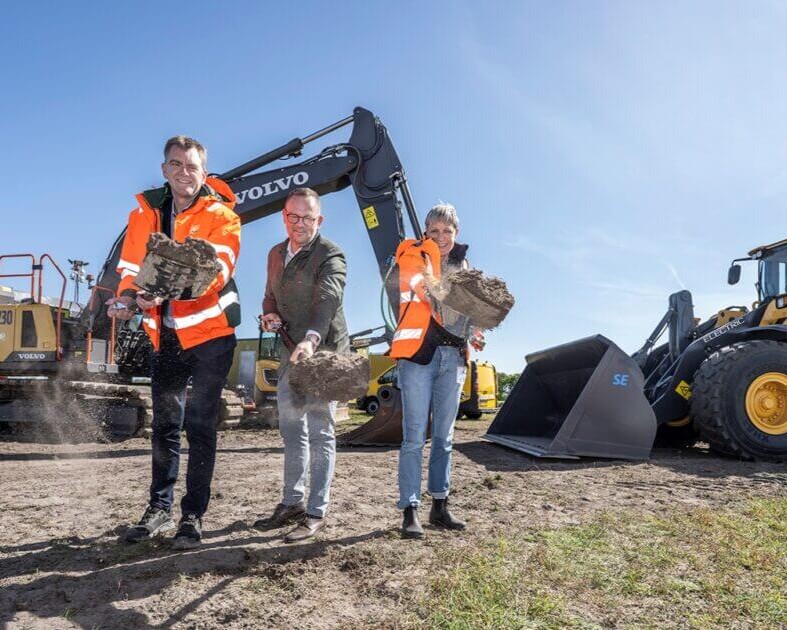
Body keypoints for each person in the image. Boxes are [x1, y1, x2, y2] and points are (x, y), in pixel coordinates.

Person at [107, 136, 241, 550]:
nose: (185, 172)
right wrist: (127, 301)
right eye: (177, 164)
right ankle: (158, 507)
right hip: (165, 336)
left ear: (205, 173)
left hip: (211, 337)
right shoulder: (144, 214)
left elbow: (215, 271)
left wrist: (167, 292)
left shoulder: (223, 216)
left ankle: (192, 516)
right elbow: (130, 269)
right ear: (165, 169)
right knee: (164, 425)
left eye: (193, 167)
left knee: (200, 426)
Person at [254, 187, 348, 543]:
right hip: (291, 350)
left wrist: (311, 339)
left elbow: (328, 299)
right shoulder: (276, 254)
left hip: (323, 352)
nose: (300, 224)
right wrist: (269, 314)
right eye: (293, 216)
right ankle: (292, 502)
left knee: (320, 429)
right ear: (284, 217)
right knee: (291, 428)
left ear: (319, 220)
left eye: (308, 218)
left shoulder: (330, 254)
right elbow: (269, 294)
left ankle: (315, 511)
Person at [390, 202, 484, 539]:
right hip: (418, 356)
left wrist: (475, 331)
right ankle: (410, 509)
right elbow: (411, 290)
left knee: (445, 438)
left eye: (448, 231)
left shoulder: (465, 265)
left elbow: (467, 311)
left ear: (456, 233)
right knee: (414, 436)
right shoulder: (412, 255)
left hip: (453, 357)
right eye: (435, 231)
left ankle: (440, 506)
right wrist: (431, 267)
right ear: (425, 232)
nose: (442, 237)